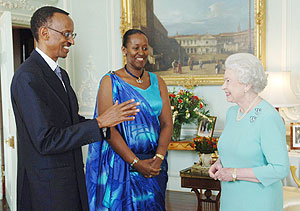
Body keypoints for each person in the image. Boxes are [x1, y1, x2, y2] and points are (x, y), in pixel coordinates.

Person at [10, 6, 139, 211]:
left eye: (72, 34)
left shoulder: (60, 73)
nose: (72, 41)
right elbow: (46, 140)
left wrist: (110, 124)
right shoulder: (28, 77)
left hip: (70, 181)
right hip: (47, 189)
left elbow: (71, 121)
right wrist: (100, 122)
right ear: (44, 33)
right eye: (67, 34)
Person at [86, 29, 173, 210]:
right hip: (122, 164)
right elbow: (107, 129)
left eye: (145, 48)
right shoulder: (110, 81)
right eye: (135, 48)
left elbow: (166, 123)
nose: (141, 53)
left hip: (155, 163)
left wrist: (159, 157)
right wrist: (135, 162)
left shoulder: (158, 81)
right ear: (124, 50)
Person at [208, 53, 289, 211]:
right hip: (231, 199)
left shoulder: (268, 117)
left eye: (228, 81)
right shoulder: (232, 113)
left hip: (259, 201)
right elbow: (236, 150)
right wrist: (220, 163)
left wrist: (234, 173)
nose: (223, 86)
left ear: (247, 84)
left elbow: (280, 168)